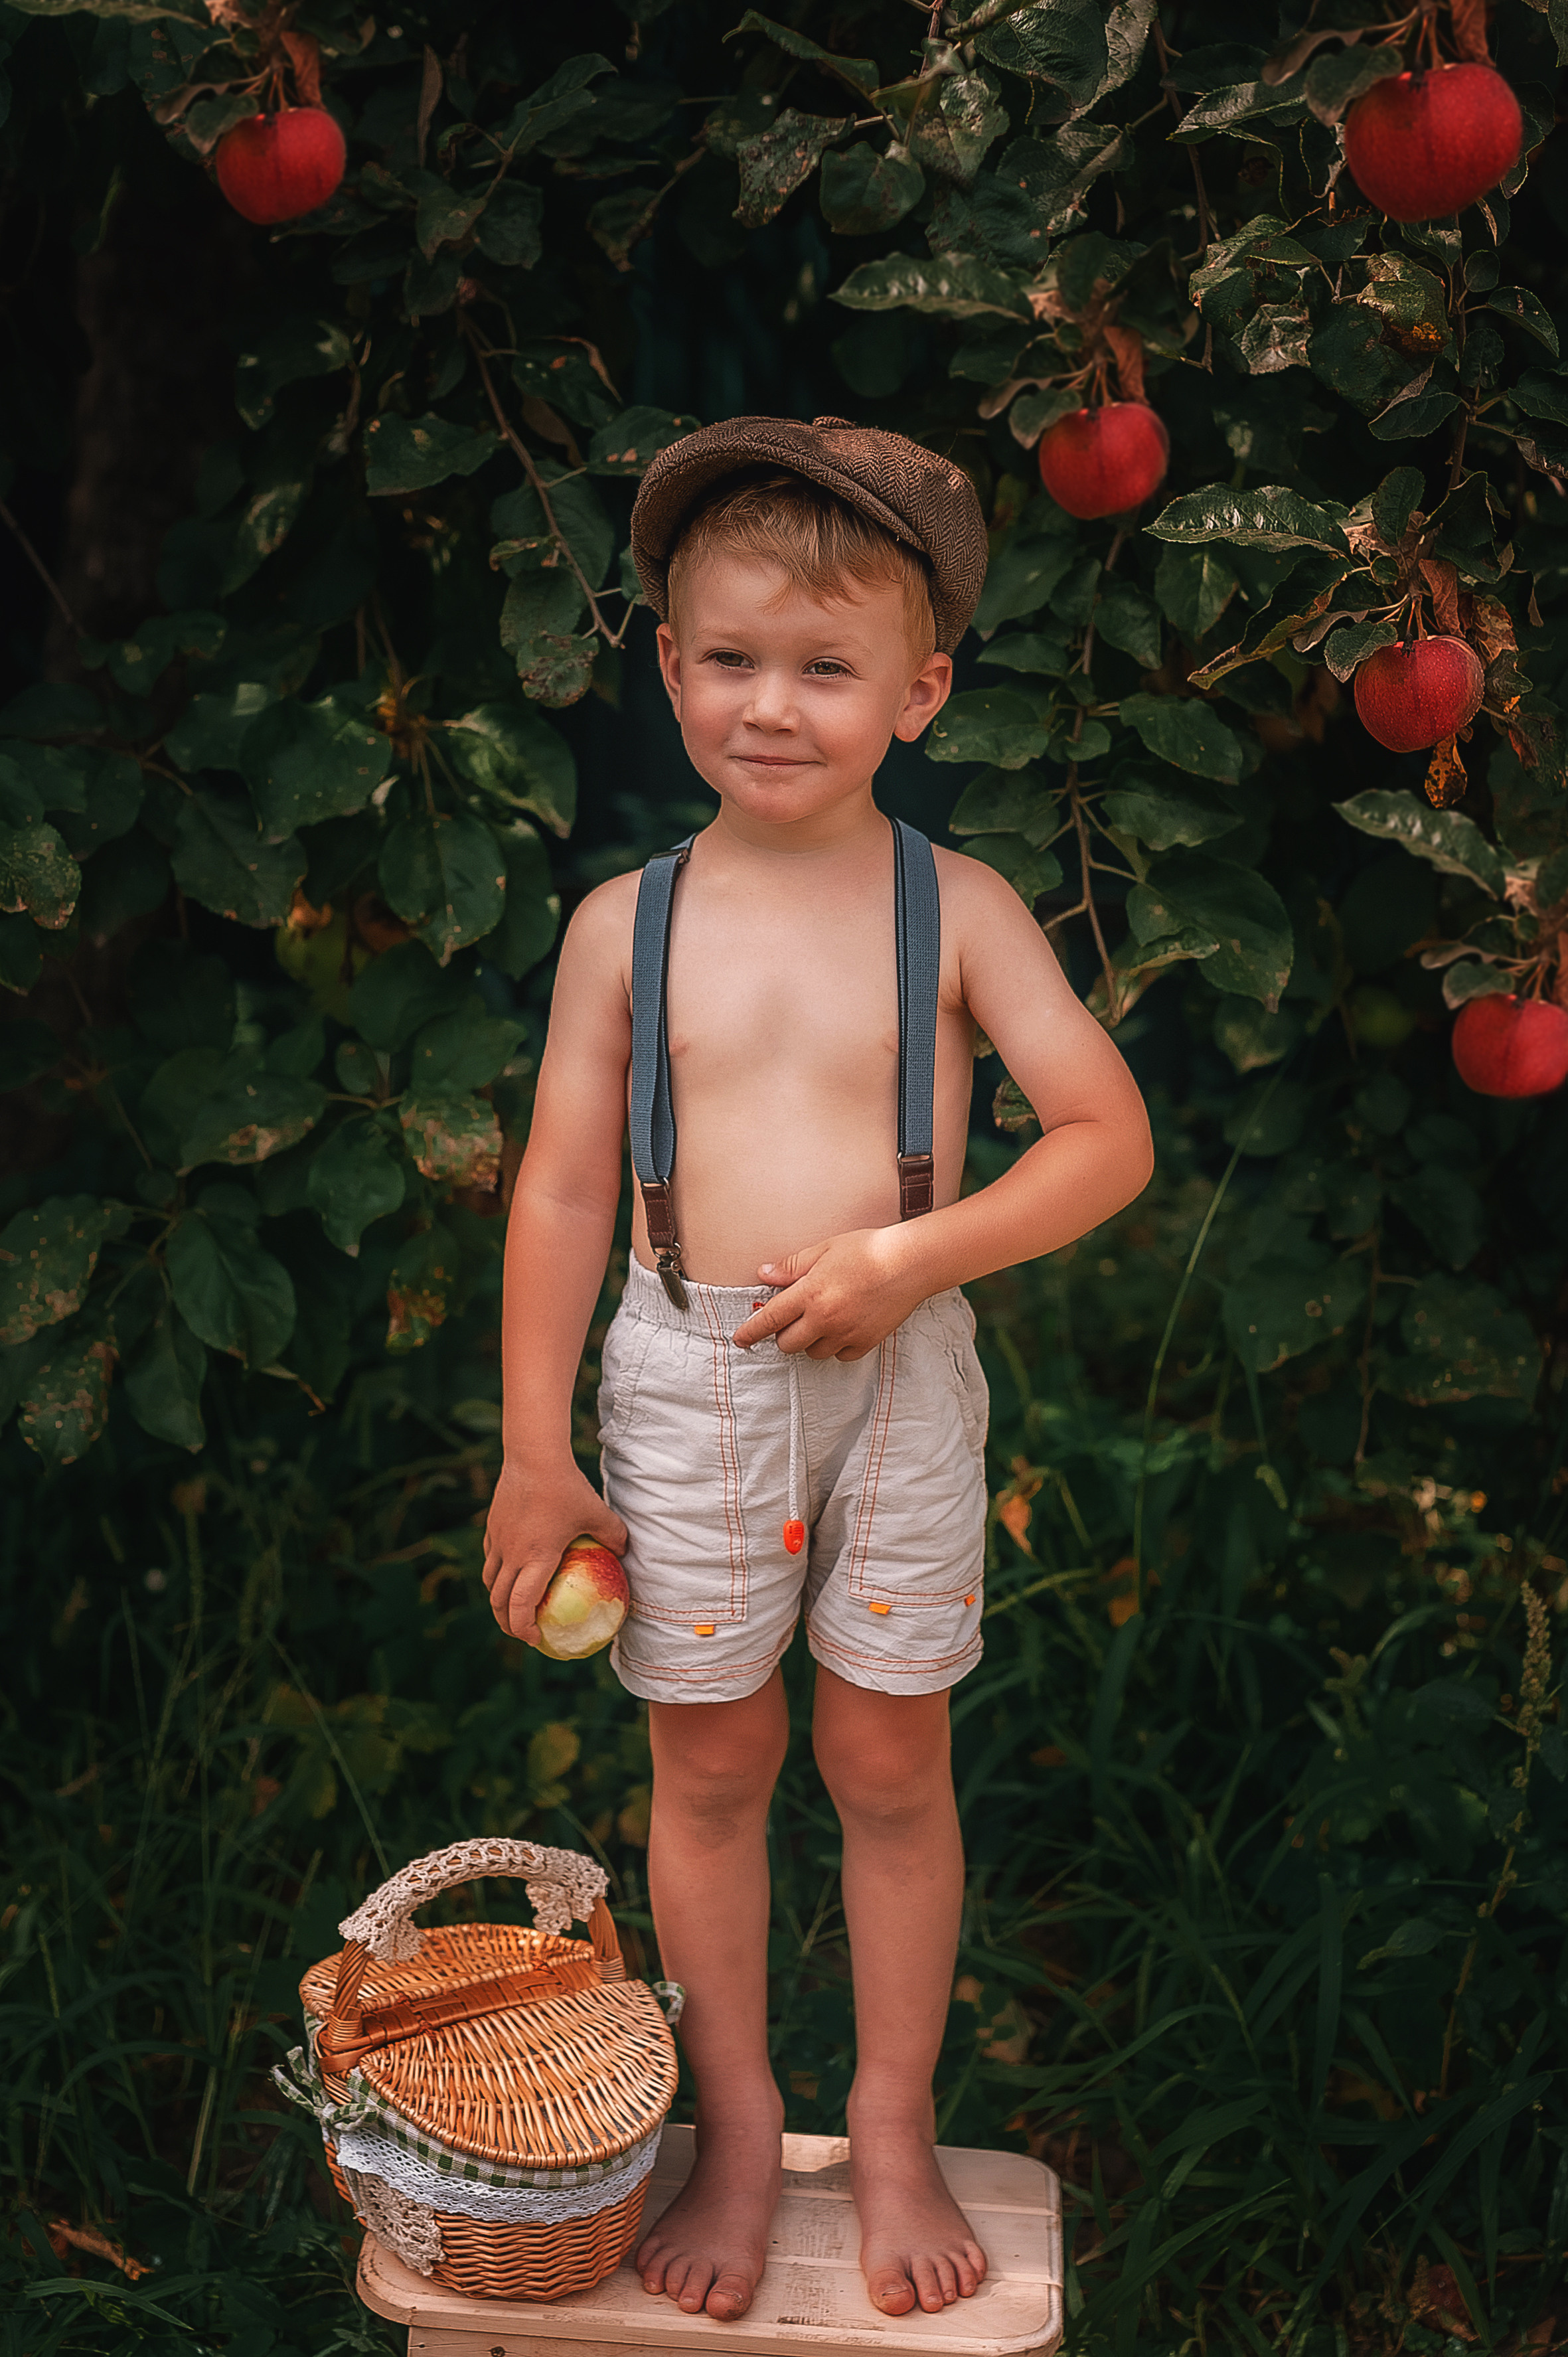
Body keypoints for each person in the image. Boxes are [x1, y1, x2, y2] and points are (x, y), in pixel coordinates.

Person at [482, 416, 1153, 2326]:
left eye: (825, 667)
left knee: (881, 1750)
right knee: (708, 1767)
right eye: (726, 659)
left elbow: (1104, 1143)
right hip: (685, 1381)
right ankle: (734, 2121)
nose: (768, 707)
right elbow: (552, 1191)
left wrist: (906, 1261)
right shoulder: (631, 926)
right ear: (668, 664)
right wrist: (539, 1451)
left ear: (919, 690)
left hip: (901, 1372)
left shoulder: (961, 913)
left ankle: (887, 2118)